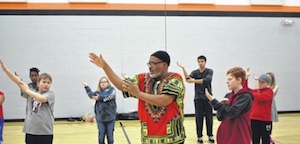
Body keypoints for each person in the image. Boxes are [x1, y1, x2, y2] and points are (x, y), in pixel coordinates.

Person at [89, 50, 186, 144]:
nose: (150, 67)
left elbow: (164, 100)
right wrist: (105, 67)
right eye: (149, 64)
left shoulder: (175, 79)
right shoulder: (142, 79)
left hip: (173, 139)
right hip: (148, 139)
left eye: (153, 63)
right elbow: (121, 85)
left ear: (164, 65)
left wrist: (138, 93)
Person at [0, 59, 55, 144]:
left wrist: (27, 90)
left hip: (45, 132)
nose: (46, 84)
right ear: (38, 83)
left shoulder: (50, 94)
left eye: (48, 82)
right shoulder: (32, 91)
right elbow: (18, 82)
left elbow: (41, 98)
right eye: (44, 82)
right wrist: (5, 70)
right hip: (30, 131)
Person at [204, 67, 253, 144]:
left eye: (230, 79)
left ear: (239, 80)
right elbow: (220, 117)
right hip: (225, 136)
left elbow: (231, 113)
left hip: (238, 138)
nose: (227, 82)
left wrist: (214, 102)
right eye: (227, 80)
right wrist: (221, 105)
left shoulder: (246, 97)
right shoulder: (228, 95)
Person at [177, 55, 214, 143]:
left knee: (209, 118)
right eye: (199, 61)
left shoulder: (209, 71)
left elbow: (206, 80)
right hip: (198, 98)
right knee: (199, 118)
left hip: (208, 98)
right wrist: (183, 68)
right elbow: (187, 79)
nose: (200, 63)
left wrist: (193, 81)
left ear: (205, 62)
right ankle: (199, 136)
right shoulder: (195, 72)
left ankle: (210, 135)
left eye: (202, 61)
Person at [82, 76, 117, 144]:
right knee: (101, 136)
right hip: (100, 118)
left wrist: (99, 98)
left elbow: (108, 97)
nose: (103, 83)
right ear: (99, 84)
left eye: (105, 82)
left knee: (110, 136)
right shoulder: (98, 92)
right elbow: (91, 95)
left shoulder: (112, 90)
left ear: (108, 83)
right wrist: (87, 87)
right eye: (101, 82)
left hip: (110, 117)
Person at [244, 68, 273, 144]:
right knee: (254, 138)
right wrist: (246, 78)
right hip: (254, 118)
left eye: (262, 82)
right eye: (259, 82)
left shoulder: (269, 92)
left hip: (265, 120)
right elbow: (245, 90)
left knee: (265, 138)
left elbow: (261, 98)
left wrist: (252, 92)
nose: (260, 83)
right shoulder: (256, 91)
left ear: (268, 83)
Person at [266, 72, 279, 144]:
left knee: (269, 121)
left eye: (269, 77)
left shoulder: (275, 86)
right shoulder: (263, 85)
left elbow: (272, 93)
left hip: (271, 105)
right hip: (264, 104)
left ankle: (269, 137)